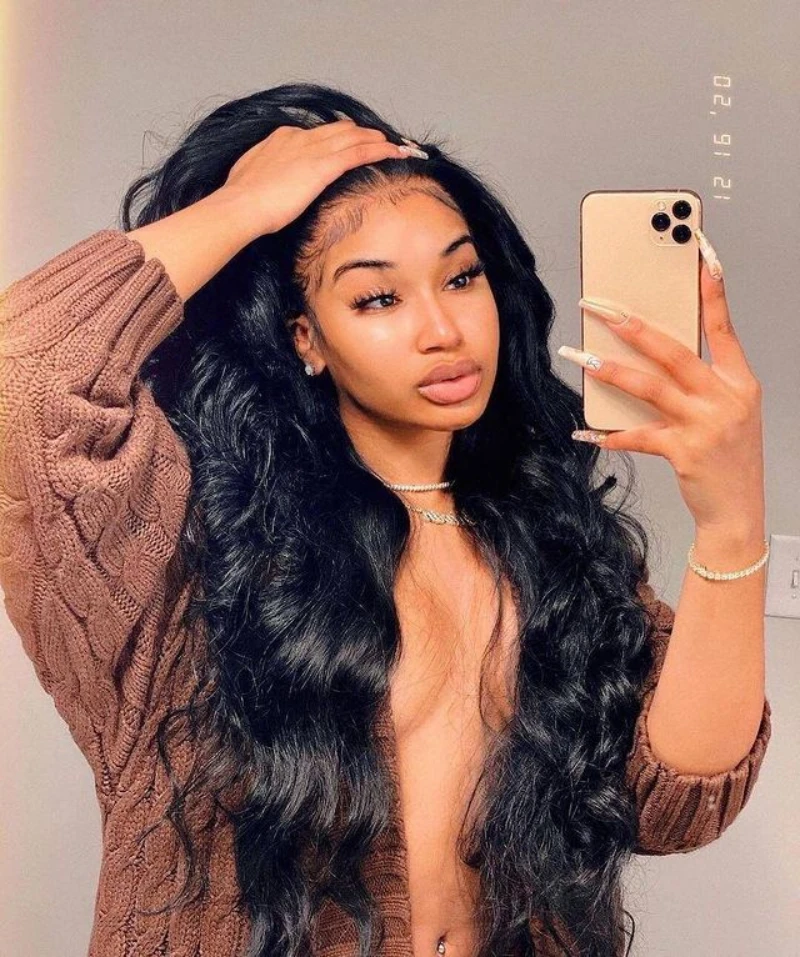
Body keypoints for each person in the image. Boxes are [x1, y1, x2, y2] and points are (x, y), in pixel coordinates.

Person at [0, 81, 771, 957]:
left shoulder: (552, 542)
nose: (443, 328)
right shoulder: (189, 552)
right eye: (378, 299)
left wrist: (731, 520)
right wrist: (244, 206)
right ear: (305, 336)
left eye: (461, 277)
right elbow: (21, 382)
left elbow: (677, 803)